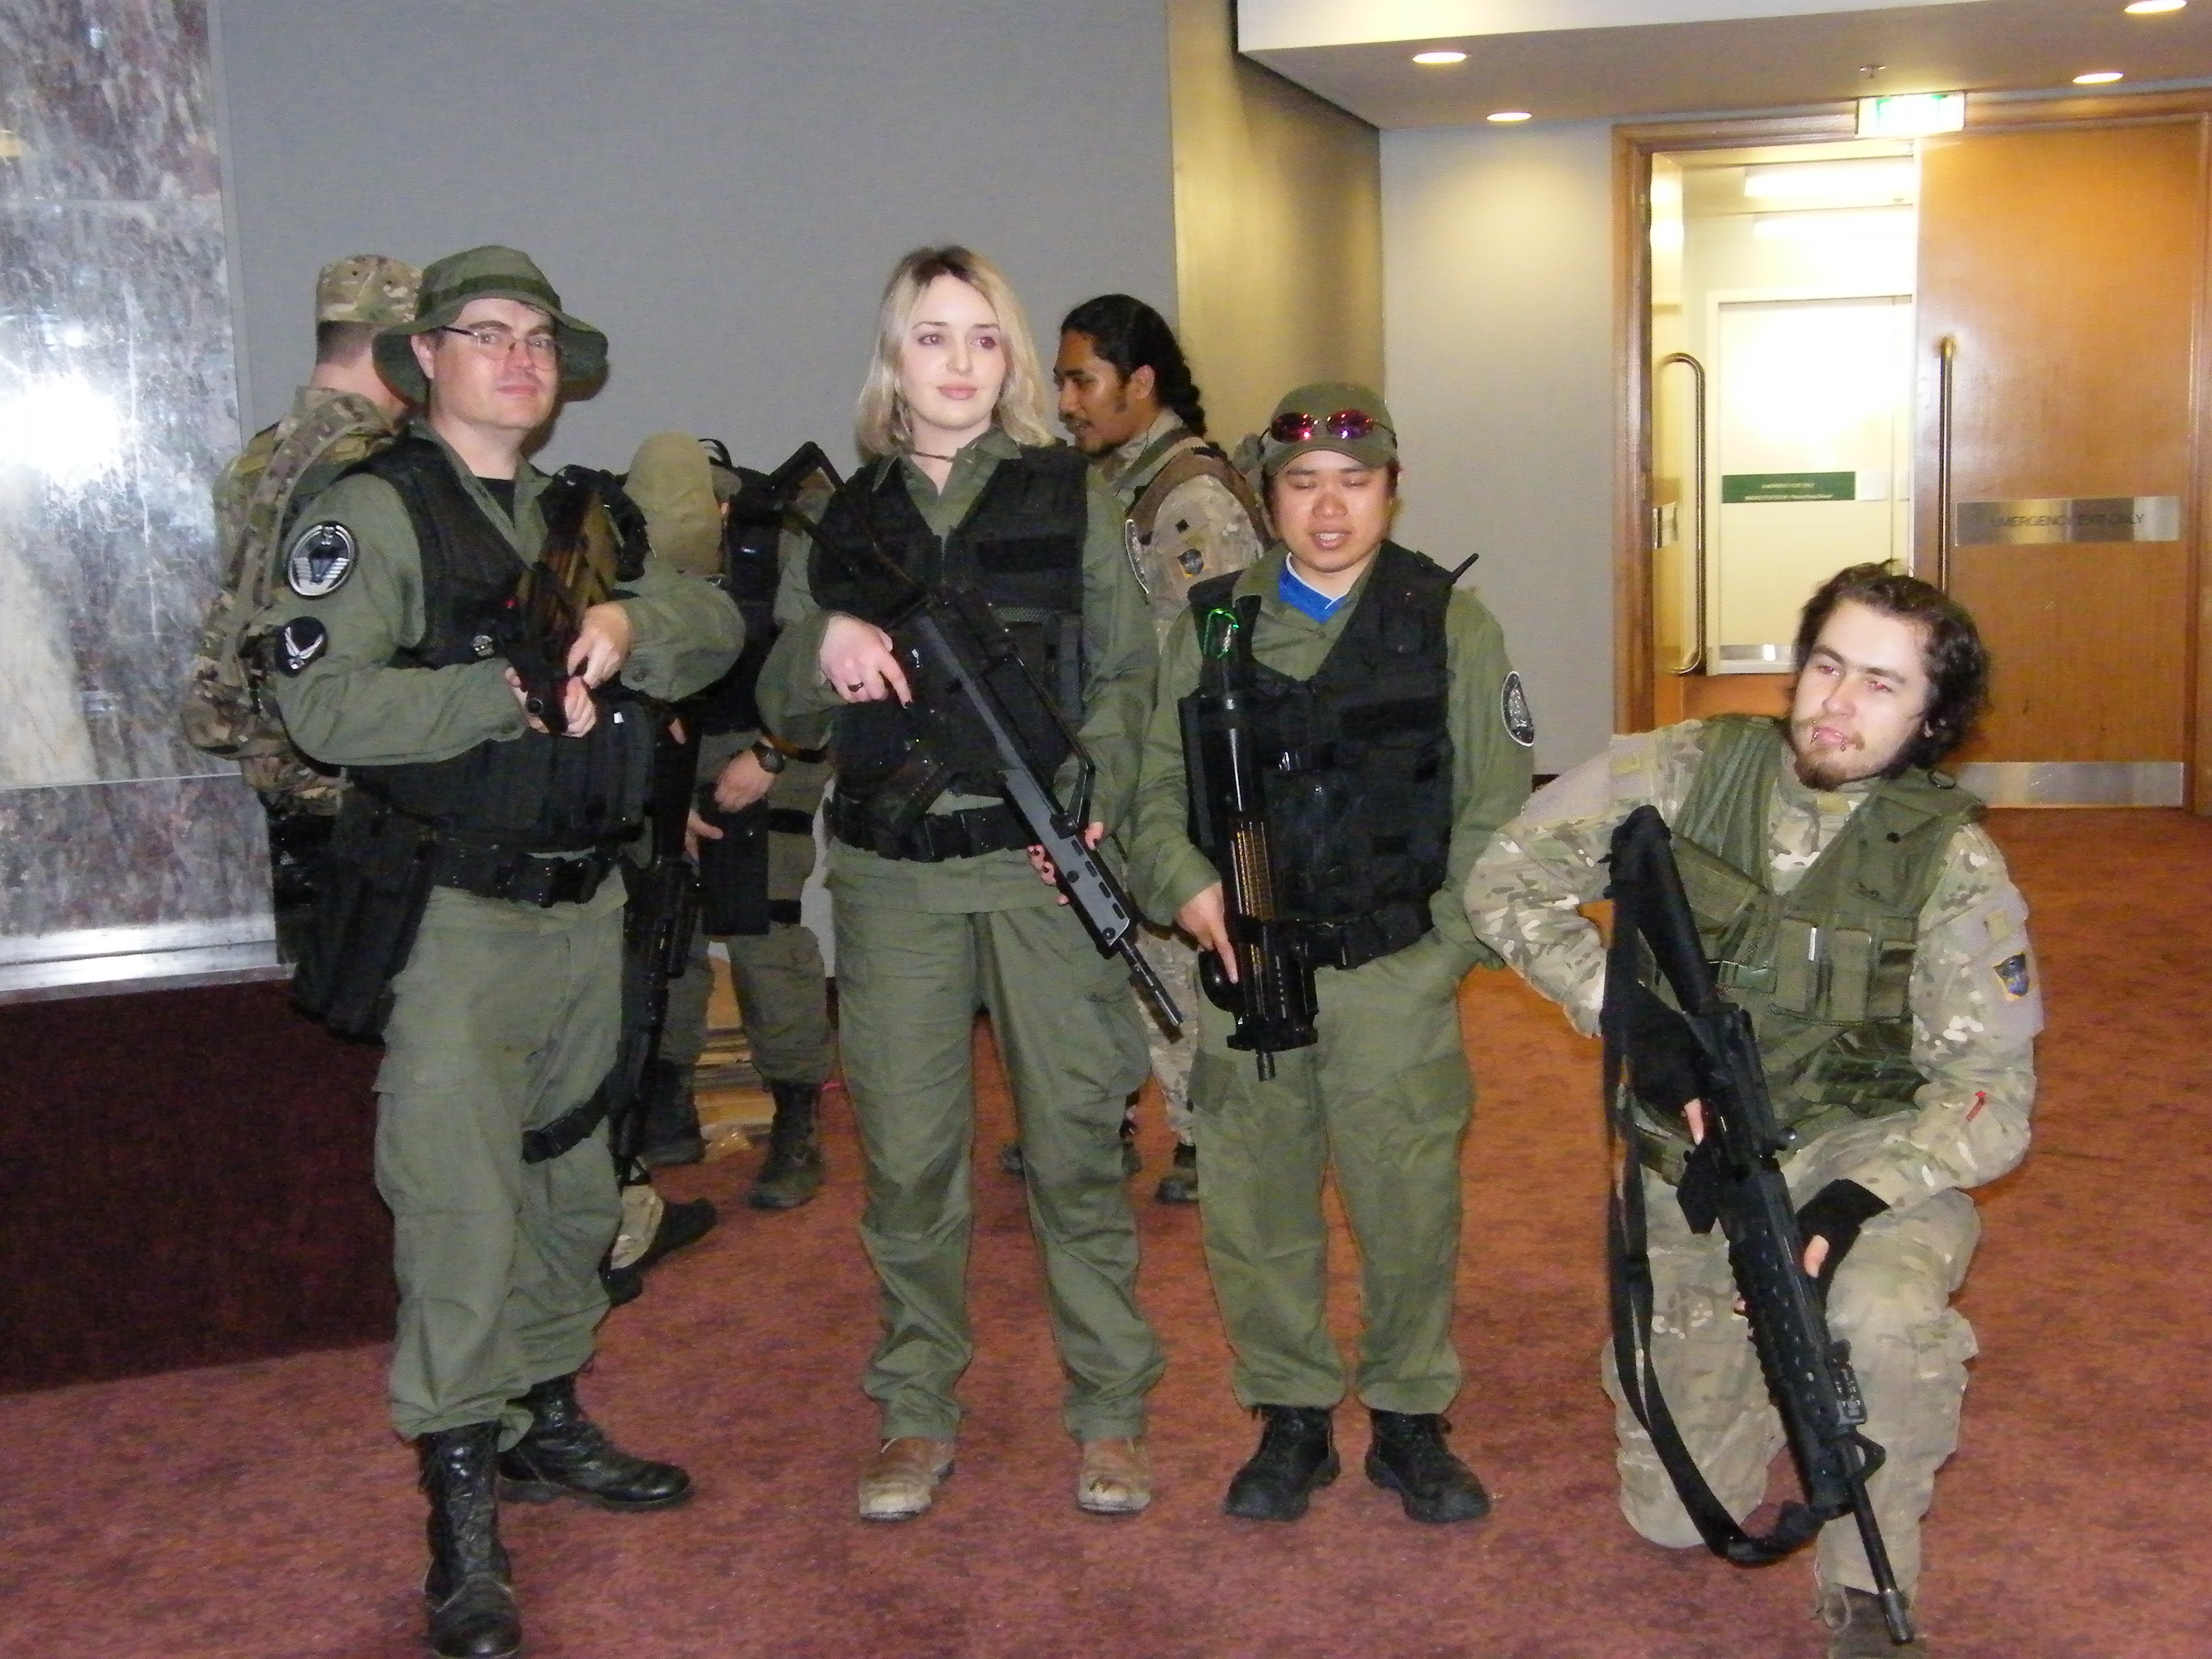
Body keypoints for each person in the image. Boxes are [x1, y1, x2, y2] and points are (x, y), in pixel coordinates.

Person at [257, 246, 743, 1659]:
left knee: (572, 1186)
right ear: (425, 359)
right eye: (486, 332)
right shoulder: (373, 512)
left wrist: (624, 621)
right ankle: (460, 1492)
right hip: (457, 916)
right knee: (460, 1207)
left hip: (590, 909)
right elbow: (324, 706)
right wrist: (500, 691)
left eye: (537, 335)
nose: (519, 357)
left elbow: (712, 621)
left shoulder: (580, 518)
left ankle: (543, 1414)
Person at [1465, 565, 2037, 1657]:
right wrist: (1634, 1021)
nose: (1838, 703)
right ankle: (1756, 1362)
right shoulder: (1682, 770)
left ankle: (1865, 1587)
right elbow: (1503, 882)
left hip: (1862, 1141)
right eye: (1827, 665)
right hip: (1696, 1159)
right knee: (1676, 1519)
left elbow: (1994, 1095)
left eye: (1882, 684)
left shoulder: (1951, 864)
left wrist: (1860, 1198)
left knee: (1884, 1321)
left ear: (1932, 719)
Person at [756, 245, 1163, 1523]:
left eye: (984, 338)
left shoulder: (1068, 493)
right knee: (911, 1160)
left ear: (1013, 359)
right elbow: (781, 708)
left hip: (1040, 869)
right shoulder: (841, 519)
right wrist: (820, 641)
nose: (960, 362)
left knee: (1074, 1149)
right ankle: (917, 1408)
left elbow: (1131, 672)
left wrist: (1095, 796)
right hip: (895, 882)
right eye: (933, 336)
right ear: (895, 356)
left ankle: (1109, 1408)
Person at [1128, 382, 1532, 1525]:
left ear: (1392, 491)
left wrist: (1440, 955)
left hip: (1391, 970)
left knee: (1406, 1202)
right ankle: (1290, 1416)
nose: (1328, 507)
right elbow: (1152, 791)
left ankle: (1408, 1418)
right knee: (1255, 1205)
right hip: (1249, 966)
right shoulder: (1214, 624)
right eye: (1302, 484)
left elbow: (1496, 813)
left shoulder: (1450, 623)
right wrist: (1182, 883)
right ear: (1268, 497)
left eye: (1354, 483)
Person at [1036, 292, 1265, 1206]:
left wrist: (1163, 792)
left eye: (1081, 381)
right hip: (1117, 762)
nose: (1066, 403)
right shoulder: (1115, 484)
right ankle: (1117, 1115)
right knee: (1111, 953)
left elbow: (1214, 656)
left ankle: (1211, 1133)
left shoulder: (1189, 497)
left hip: (1172, 772)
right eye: (1061, 382)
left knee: (1177, 958)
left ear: (1139, 382)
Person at [636, 432, 839, 1212]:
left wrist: (771, 755)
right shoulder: (627, 537)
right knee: (668, 915)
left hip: (781, 730)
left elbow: (826, 666)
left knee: (759, 920)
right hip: (676, 737)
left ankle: (796, 1112)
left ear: (723, 510)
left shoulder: (782, 541)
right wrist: (660, 783)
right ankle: (668, 1094)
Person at [193, 255, 418, 943]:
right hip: (349, 773)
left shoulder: (262, 455)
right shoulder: (373, 467)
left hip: (278, 761)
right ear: (402, 349)